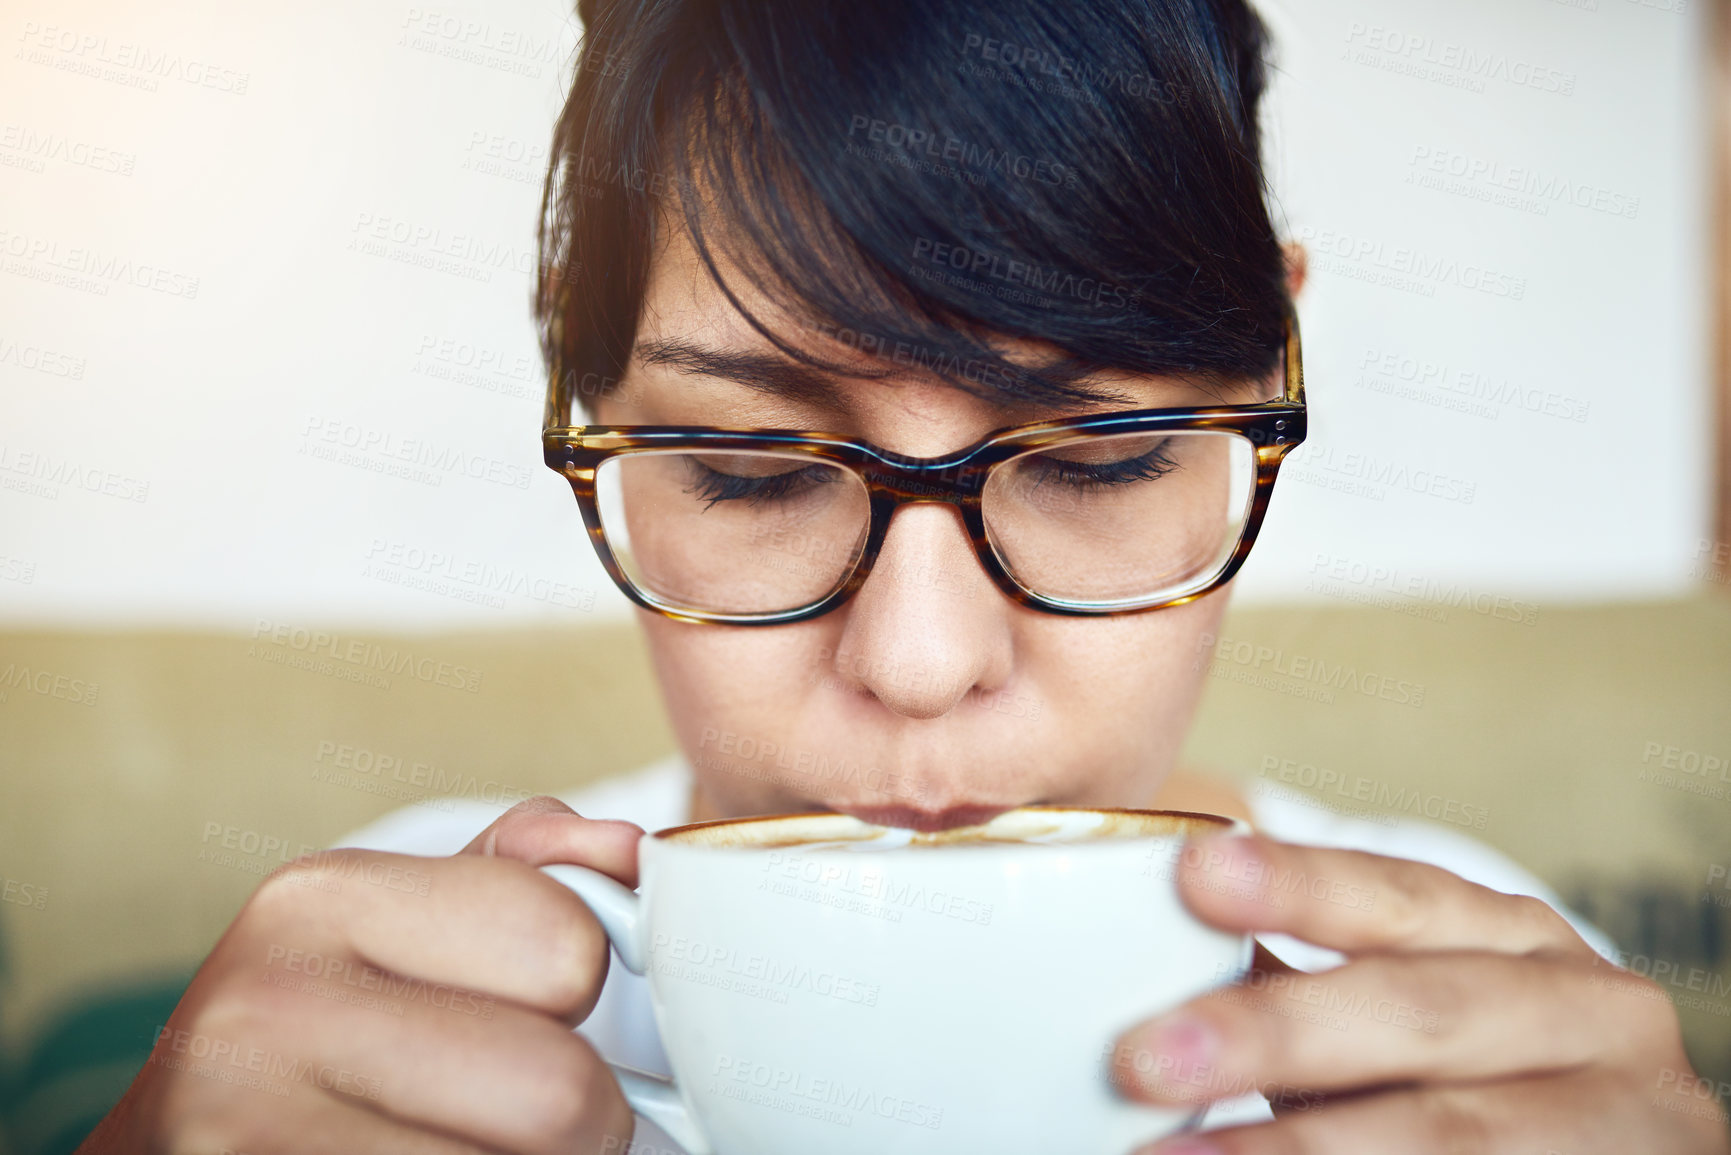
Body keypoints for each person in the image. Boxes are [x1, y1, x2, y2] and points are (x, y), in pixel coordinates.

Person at [80, 0, 1731, 1152]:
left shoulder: (1477, 1007)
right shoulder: (383, 985)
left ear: (1273, 372)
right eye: (751, 469)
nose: (925, 662)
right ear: (597, 423)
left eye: (1098, 460)